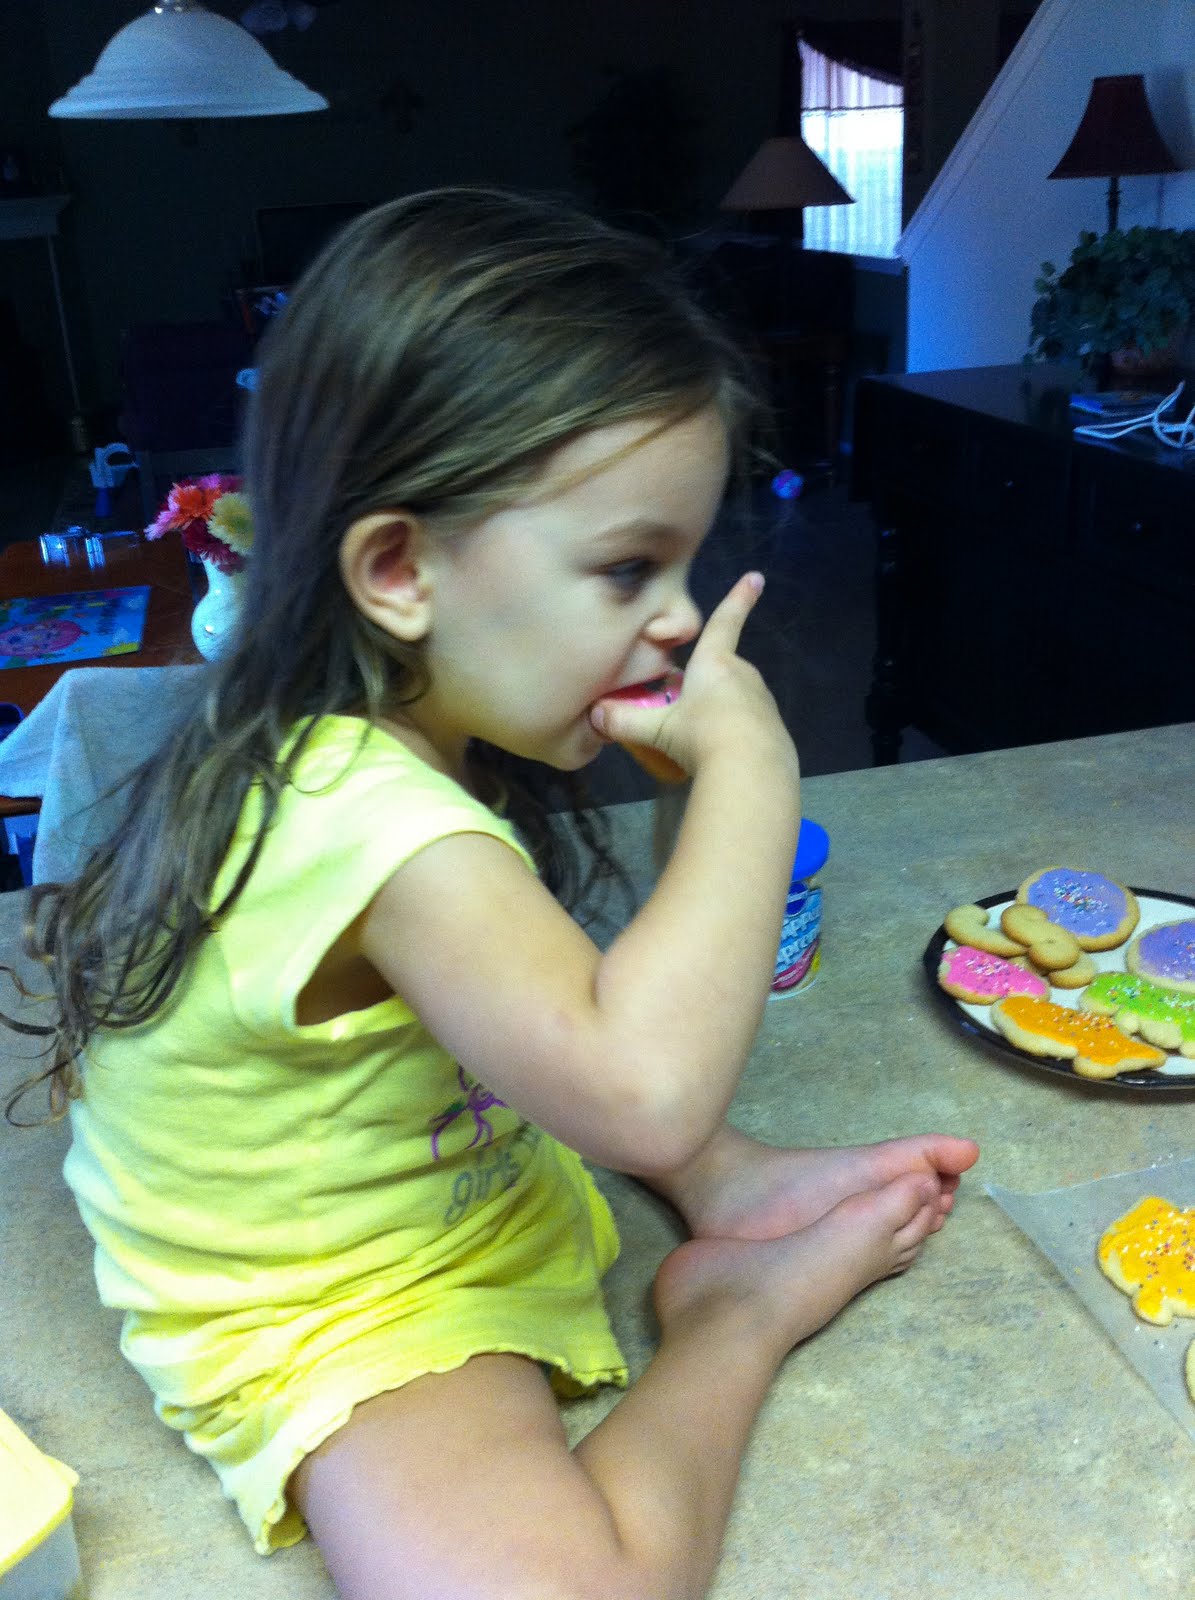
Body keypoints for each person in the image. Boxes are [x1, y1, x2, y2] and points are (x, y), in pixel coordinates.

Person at [5, 188, 978, 1600]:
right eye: (628, 569)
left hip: (427, 1162)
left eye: (683, 565)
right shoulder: (374, 822)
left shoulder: (363, 731)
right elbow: (644, 1094)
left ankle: (728, 1185)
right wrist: (754, 767)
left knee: (590, 1025)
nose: (681, 619)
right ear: (399, 569)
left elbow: (611, 1022)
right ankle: (737, 1314)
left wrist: (688, 818)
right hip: (326, 1292)